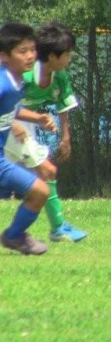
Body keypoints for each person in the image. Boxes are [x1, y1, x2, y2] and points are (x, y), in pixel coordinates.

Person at [5, 21, 87, 242]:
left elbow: (64, 105)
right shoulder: (25, 73)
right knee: (47, 170)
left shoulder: (59, 76)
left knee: (44, 173)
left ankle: (55, 228)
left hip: (24, 124)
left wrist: (65, 138)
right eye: (67, 54)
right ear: (51, 56)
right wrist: (14, 123)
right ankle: (55, 228)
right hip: (12, 124)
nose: (69, 59)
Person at [0, 22, 52, 255]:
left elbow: (10, 109)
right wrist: (15, 125)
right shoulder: (3, 84)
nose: (30, 56)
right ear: (4, 56)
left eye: (32, 49)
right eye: (22, 51)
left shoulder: (16, 82)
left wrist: (37, 118)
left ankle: (14, 236)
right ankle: (14, 236)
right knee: (40, 191)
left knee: (40, 191)